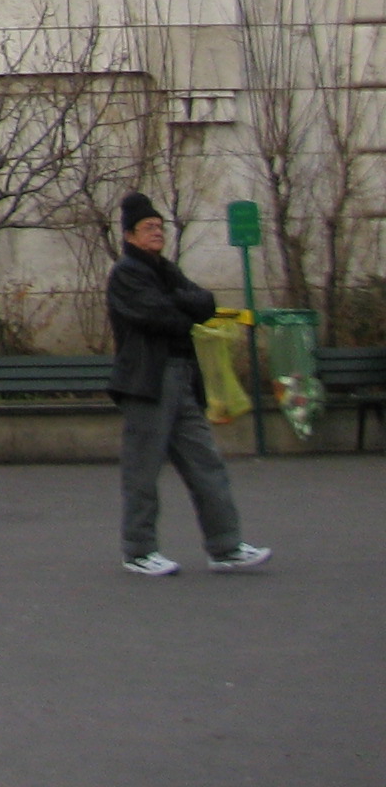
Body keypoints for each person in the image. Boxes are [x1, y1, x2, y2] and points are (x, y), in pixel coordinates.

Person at [110, 192, 269, 577]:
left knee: (206, 464)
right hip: (148, 381)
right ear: (130, 235)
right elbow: (161, 316)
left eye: (160, 228)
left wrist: (183, 305)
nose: (156, 234)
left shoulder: (165, 271)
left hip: (182, 379)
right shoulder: (127, 273)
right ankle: (139, 550)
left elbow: (206, 303)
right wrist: (185, 309)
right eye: (148, 228)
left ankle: (225, 546)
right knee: (143, 470)